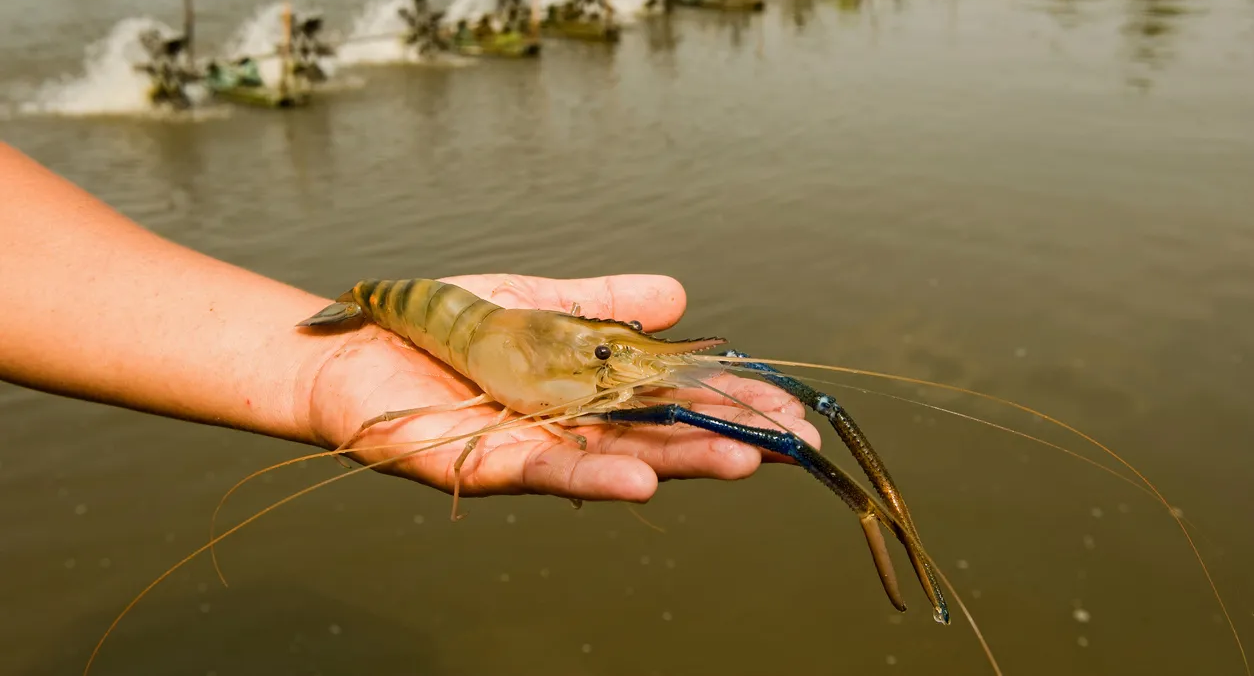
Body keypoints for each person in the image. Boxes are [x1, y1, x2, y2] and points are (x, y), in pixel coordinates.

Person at [0, 143, 817, 504]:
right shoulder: (434, 327)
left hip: (465, 318)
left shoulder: (584, 355)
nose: (620, 366)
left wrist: (635, 361)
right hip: (392, 299)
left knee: (713, 389)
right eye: (607, 354)